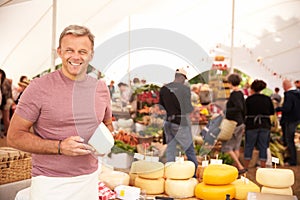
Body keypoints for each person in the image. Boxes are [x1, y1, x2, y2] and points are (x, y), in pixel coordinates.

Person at [7, 25, 113, 200]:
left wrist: (105, 142)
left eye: (83, 51)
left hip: (89, 178)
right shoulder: (39, 87)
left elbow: (107, 125)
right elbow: (14, 136)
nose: (76, 57)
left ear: (91, 54)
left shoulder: (101, 88)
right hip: (50, 181)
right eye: (69, 50)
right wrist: (59, 147)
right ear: (59, 52)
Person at [159, 68, 198, 176]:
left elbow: (161, 107)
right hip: (180, 122)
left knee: (171, 149)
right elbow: (188, 108)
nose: (184, 81)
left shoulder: (164, 88)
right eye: (184, 78)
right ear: (181, 77)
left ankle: (170, 174)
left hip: (167, 122)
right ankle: (194, 174)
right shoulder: (185, 89)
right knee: (189, 149)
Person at [244, 80, 275, 169]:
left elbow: (245, 112)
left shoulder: (249, 99)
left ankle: (246, 167)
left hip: (251, 124)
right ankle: (263, 167)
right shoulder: (267, 99)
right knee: (263, 146)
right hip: (265, 124)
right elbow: (272, 112)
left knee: (249, 145)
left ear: (252, 88)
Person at [221, 73, 246, 174]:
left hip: (233, 123)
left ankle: (239, 166)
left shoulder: (234, 94)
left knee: (227, 147)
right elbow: (244, 109)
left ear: (230, 83)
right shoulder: (240, 93)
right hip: (240, 123)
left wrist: (225, 111)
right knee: (236, 147)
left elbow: (238, 107)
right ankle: (235, 168)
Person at [276, 79, 300, 166]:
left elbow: (287, 108)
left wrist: (278, 109)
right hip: (296, 119)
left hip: (290, 119)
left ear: (285, 86)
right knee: (290, 139)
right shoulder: (297, 93)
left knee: (289, 140)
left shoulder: (289, 94)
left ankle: (292, 160)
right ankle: (290, 158)